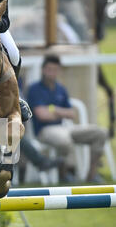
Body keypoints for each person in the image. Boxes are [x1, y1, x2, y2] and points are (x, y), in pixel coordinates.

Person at [27, 54, 108, 183]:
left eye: (55, 69)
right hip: (45, 130)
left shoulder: (61, 89)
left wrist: (53, 109)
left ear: (59, 70)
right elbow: (41, 115)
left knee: (100, 133)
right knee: (64, 139)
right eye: (49, 69)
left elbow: (72, 114)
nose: (52, 73)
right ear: (43, 70)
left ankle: (92, 174)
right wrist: (59, 111)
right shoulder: (34, 89)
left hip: (65, 128)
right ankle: (64, 174)